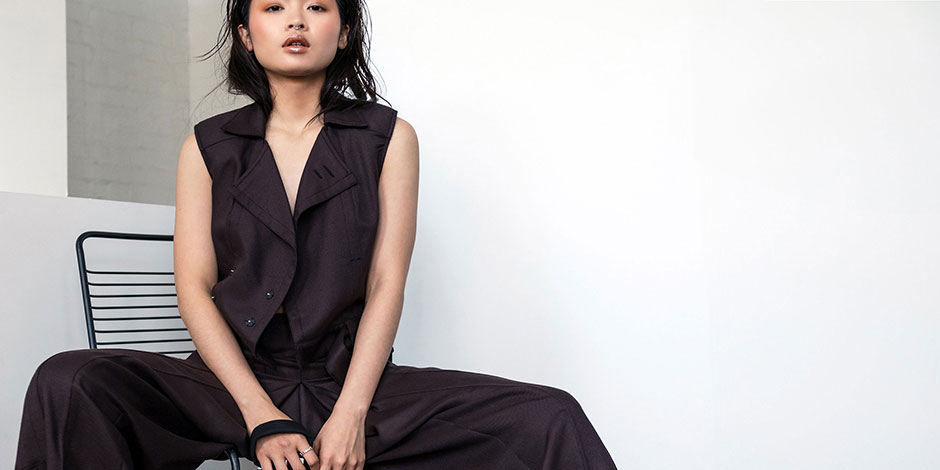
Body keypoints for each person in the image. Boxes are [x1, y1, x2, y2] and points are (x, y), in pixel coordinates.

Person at [14, 1, 619, 469]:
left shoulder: (388, 137)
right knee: (68, 380)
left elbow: (387, 282)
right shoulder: (207, 145)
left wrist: (352, 414)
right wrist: (260, 416)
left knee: (549, 416)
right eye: (274, 8)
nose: (296, 20)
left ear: (345, 30)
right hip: (231, 384)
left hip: (349, 383)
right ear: (247, 35)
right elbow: (193, 289)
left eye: (318, 7)